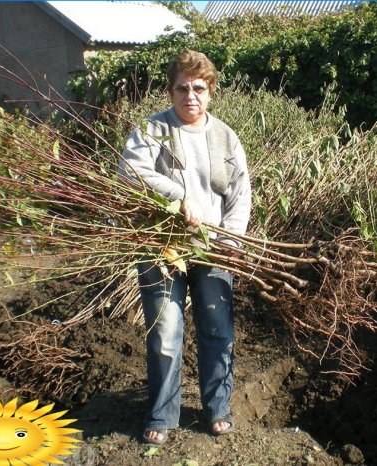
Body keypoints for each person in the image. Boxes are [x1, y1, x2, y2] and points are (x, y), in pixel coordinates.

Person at [118, 50, 251, 445]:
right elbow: (131, 172)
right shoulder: (152, 130)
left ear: (210, 91)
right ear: (170, 90)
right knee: (165, 333)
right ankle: (162, 414)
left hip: (212, 249)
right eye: (182, 87)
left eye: (198, 88)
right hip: (162, 248)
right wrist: (178, 196)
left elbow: (240, 194)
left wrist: (230, 240)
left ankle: (217, 408)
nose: (190, 95)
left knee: (217, 329)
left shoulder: (225, 136)